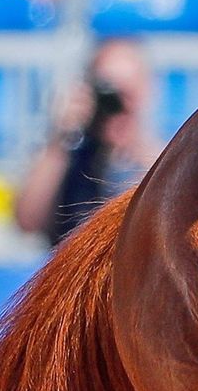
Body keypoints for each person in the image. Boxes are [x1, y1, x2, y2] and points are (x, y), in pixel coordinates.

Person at [14, 39, 163, 248]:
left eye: (125, 93)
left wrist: (139, 150)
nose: (115, 105)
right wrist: (60, 140)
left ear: (147, 90)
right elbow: (27, 221)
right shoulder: (70, 160)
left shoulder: (160, 163)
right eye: (107, 94)